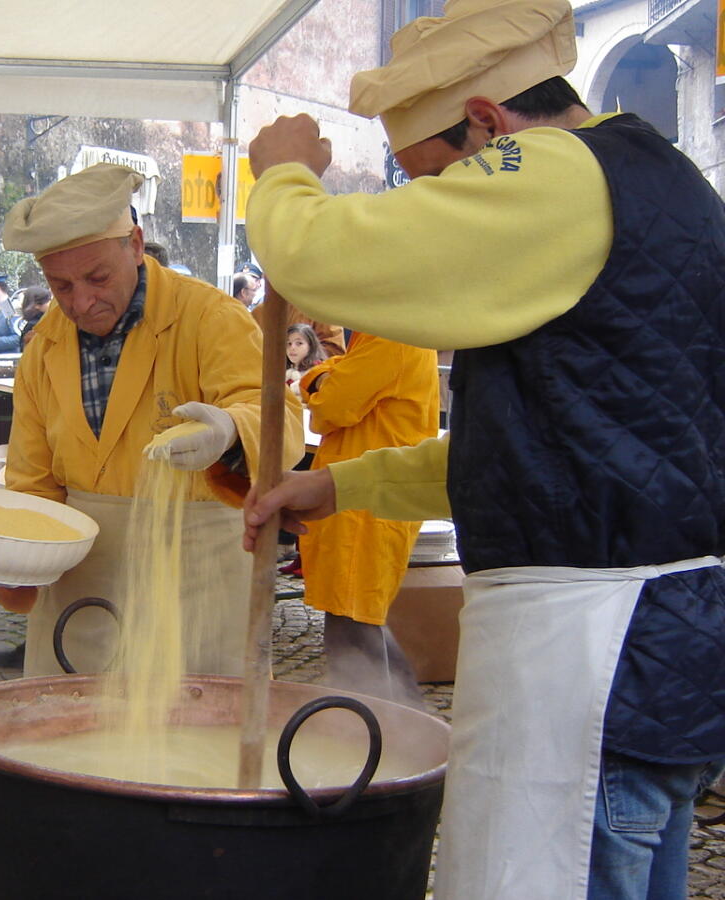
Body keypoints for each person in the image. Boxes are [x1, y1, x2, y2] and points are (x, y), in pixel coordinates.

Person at [241, 1, 725, 897]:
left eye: (434, 178)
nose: (433, 204)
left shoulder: (556, 175)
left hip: (590, 661)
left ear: (492, 125)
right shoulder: (664, 184)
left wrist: (282, 178)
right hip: (654, 649)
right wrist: (343, 485)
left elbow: (315, 259)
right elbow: (552, 439)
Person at [0, 162, 303, 677]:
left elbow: (279, 417)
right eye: (61, 285)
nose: (81, 302)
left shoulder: (208, 316)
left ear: (136, 245)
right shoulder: (45, 345)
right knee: (68, 739)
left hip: (198, 570)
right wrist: (17, 553)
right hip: (82, 579)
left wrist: (229, 431)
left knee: (199, 740)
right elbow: (33, 479)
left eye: (96, 278)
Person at [297, 331, 438, 701]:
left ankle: (384, 726)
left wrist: (319, 379)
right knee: (353, 617)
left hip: (364, 507)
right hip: (361, 499)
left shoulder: (390, 337)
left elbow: (330, 408)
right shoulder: (382, 336)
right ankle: (392, 723)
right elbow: (325, 377)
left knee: (353, 622)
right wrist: (321, 377)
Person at [284, 322, 324, 400]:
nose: (292, 348)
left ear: (311, 346)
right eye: (289, 343)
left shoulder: (318, 372)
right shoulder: (282, 369)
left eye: (299, 343)